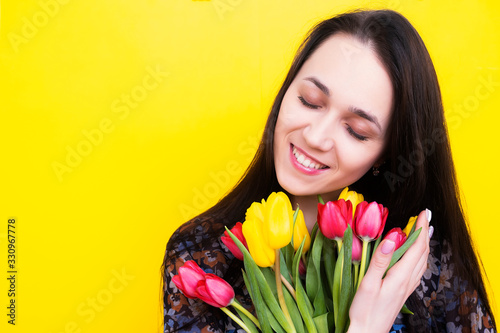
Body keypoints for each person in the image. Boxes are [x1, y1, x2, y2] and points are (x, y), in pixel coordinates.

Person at [162, 9, 496, 333]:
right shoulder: (200, 253)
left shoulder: (421, 267)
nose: (315, 137)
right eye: (309, 100)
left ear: (387, 154)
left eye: (357, 131)